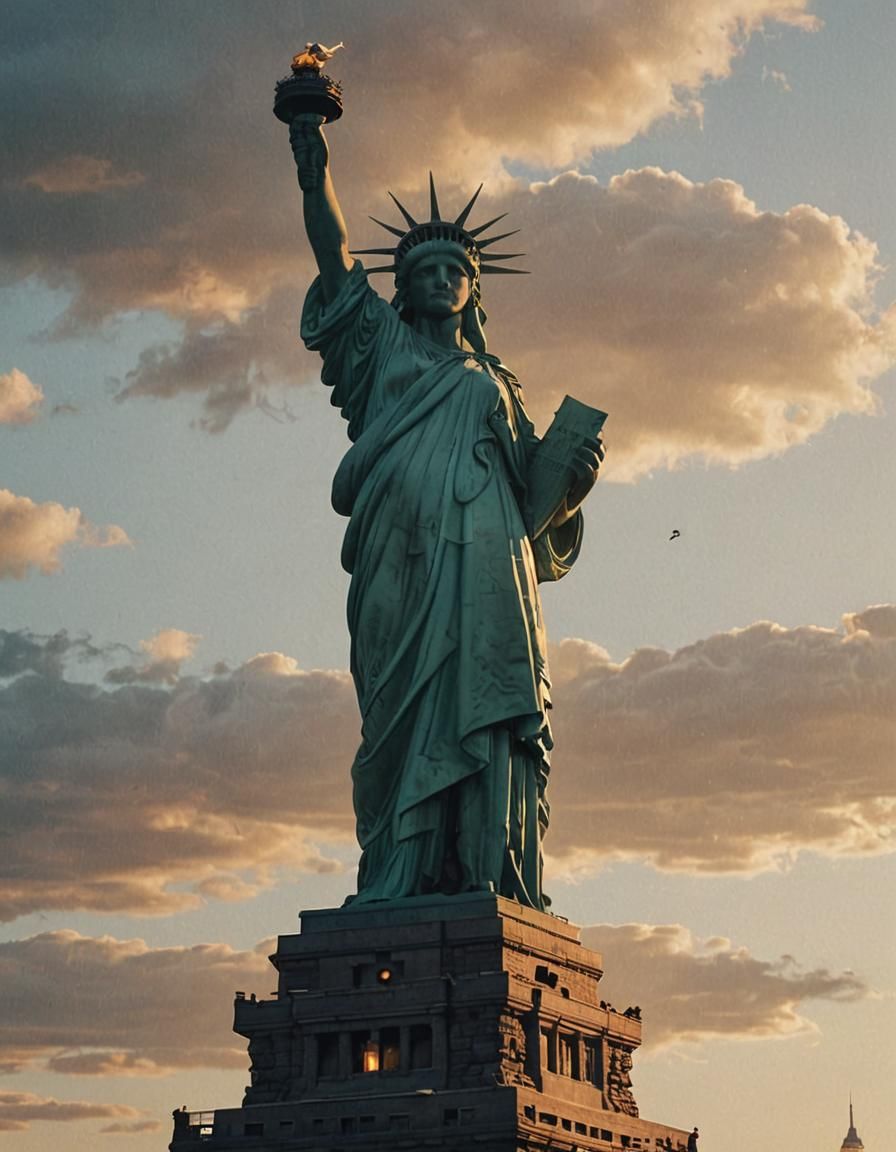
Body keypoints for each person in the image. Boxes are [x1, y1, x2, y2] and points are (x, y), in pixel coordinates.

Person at [290, 113, 603, 911]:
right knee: (399, 709)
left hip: (493, 559)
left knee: (491, 709)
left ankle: (485, 869)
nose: (438, 279)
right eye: (423, 269)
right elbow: (331, 253)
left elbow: (540, 506)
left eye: (453, 270)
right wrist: (310, 150)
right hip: (401, 548)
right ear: (402, 286)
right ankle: (402, 869)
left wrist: (572, 479)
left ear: (472, 288)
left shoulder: (498, 382)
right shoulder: (379, 346)